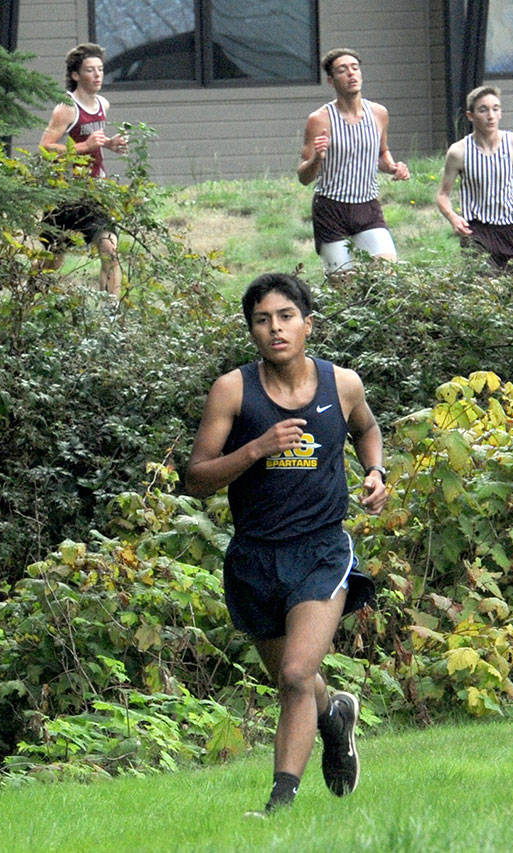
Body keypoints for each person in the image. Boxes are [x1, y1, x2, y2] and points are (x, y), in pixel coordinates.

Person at [185, 273, 388, 814]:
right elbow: (196, 477)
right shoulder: (232, 391)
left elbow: (367, 428)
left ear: (307, 324)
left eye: (286, 317)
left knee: (297, 673)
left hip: (322, 550)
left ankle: (279, 805)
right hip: (254, 557)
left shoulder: (342, 384)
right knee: (295, 680)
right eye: (262, 319)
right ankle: (334, 717)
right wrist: (256, 449)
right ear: (251, 330)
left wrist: (375, 470)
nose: (275, 328)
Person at [298, 48, 410, 275]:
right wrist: (317, 159)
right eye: (342, 70)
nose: (351, 74)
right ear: (331, 80)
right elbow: (303, 177)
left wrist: (393, 168)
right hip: (331, 209)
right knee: (343, 288)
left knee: (387, 276)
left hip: (367, 206)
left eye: (354, 68)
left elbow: (381, 154)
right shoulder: (319, 119)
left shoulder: (378, 113)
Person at [38, 43, 129, 296]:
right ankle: (29, 299)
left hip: (96, 190)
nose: (98, 75)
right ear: (76, 75)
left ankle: (110, 318)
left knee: (110, 249)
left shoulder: (103, 104)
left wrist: (110, 144)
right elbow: (45, 148)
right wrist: (82, 147)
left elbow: (93, 140)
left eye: (100, 69)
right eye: (90, 70)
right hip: (66, 193)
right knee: (53, 261)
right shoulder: (66, 108)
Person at [435, 85, 513, 270]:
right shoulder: (459, 152)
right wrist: (453, 218)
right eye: (483, 110)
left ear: (500, 113)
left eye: (495, 109)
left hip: (511, 231)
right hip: (477, 232)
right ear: (471, 116)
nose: (490, 116)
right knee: (485, 291)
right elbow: (442, 195)